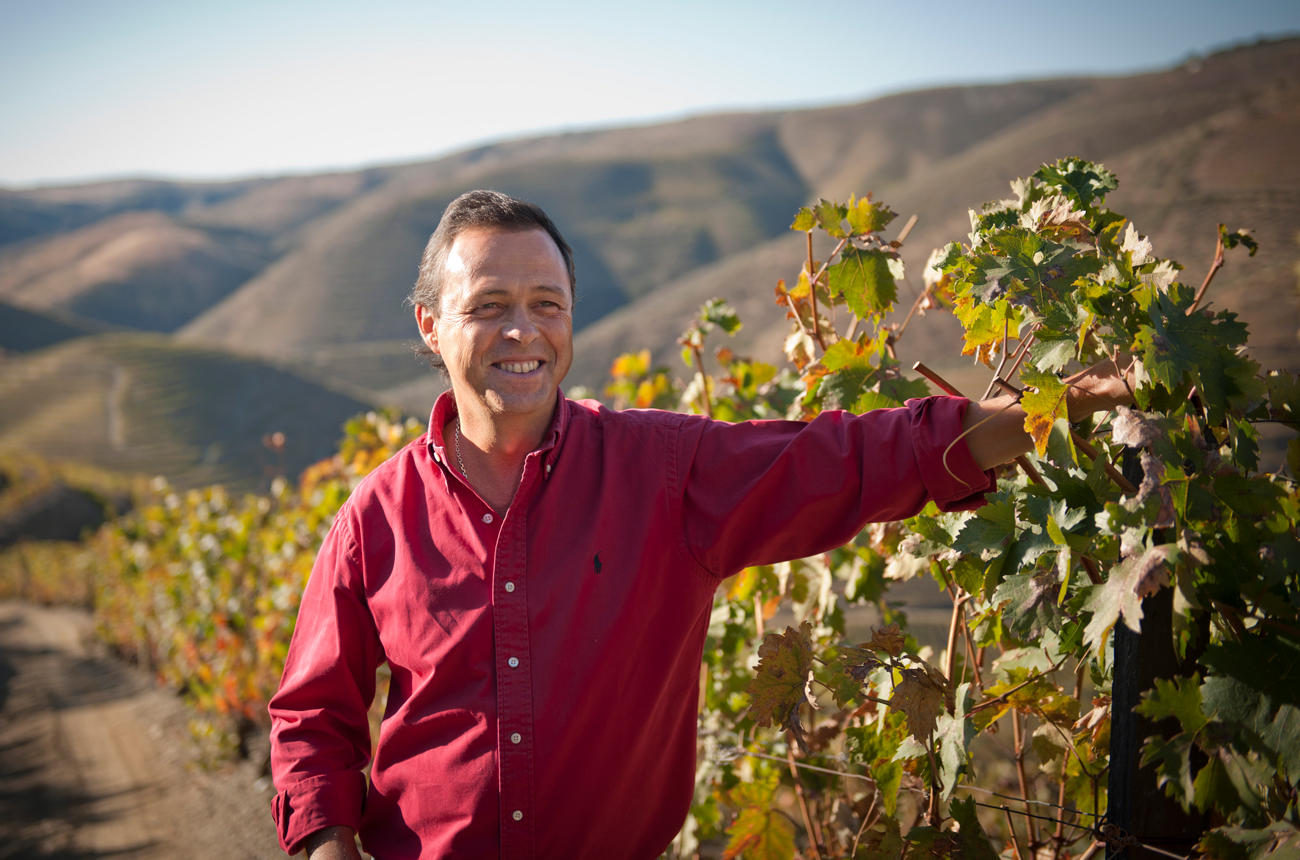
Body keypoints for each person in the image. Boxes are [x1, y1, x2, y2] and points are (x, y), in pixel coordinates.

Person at [268, 190, 1132, 859]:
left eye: (547, 303)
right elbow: (312, 721)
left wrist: (1069, 403)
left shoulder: (665, 473)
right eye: (489, 304)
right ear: (432, 326)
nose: (522, 329)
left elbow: (849, 459)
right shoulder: (372, 519)